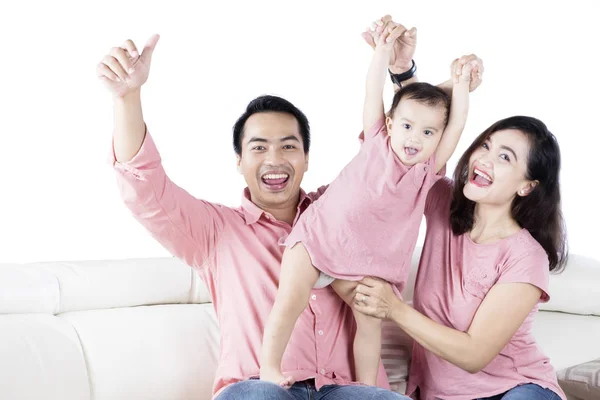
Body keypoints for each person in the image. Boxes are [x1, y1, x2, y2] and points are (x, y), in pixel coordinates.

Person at [96, 16, 419, 400]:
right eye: (259, 147)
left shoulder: (340, 213)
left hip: (346, 391)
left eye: (288, 146)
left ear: (306, 157)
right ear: (239, 161)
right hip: (262, 387)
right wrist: (126, 97)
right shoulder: (216, 230)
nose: (274, 159)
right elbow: (145, 188)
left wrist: (402, 74)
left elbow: (398, 167)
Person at [260, 18, 482, 388]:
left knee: (369, 325)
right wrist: (381, 50)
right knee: (290, 300)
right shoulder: (377, 137)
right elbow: (372, 89)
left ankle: (366, 390)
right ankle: (269, 366)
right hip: (320, 239)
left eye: (428, 133)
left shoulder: (427, 169)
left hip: (365, 266)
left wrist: (461, 85)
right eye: (408, 126)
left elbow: (456, 124)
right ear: (392, 124)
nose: (416, 138)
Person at [353, 113, 568, 399]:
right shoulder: (443, 200)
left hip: (517, 388)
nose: (484, 159)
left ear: (527, 186)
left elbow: (473, 354)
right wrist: (404, 74)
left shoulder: (526, 257)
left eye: (505, 157)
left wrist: (393, 307)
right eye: (485, 145)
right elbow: (413, 134)